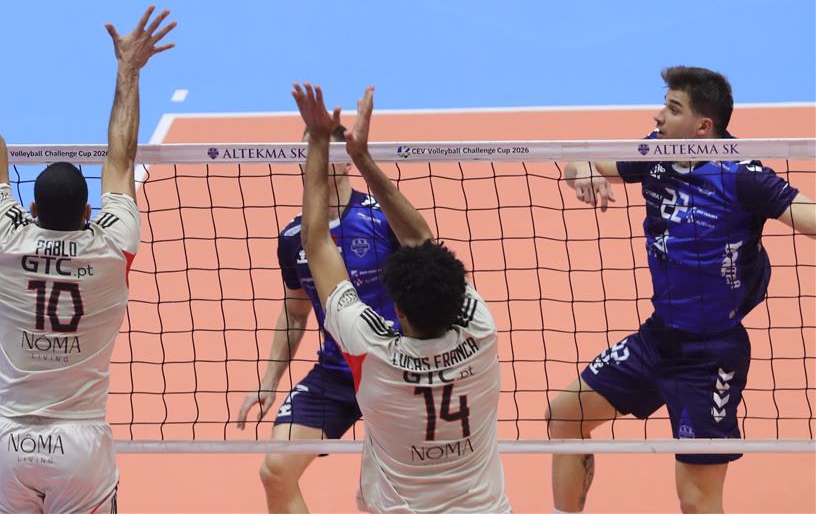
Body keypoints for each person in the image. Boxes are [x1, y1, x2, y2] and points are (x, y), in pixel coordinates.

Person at [0, 0, 174, 513]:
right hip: (80, 445)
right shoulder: (112, 248)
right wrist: (128, 71)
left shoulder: (4, 239)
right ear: (88, 214)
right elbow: (122, 160)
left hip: (12, 442)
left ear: (32, 210)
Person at [548, 66, 815, 514]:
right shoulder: (657, 152)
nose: (658, 116)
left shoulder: (742, 175)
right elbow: (583, 160)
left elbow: (809, 215)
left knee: (695, 499)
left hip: (710, 356)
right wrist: (584, 172)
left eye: (672, 109)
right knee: (565, 415)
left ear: (703, 126)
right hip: (658, 339)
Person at [291, 82, 510, 514]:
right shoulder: (481, 330)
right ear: (457, 299)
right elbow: (421, 240)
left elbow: (316, 244)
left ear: (399, 312)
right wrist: (361, 158)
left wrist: (319, 141)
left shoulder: (373, 352)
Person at [236, 125, 404, 513]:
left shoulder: (383, 219)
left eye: (322, 151)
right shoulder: (292, 238)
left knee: (380, 499)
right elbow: (295, 312)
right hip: (337, 372)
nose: (310, 160)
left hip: (393, 368)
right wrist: (269, 380)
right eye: (306, 153)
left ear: (346, 162)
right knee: (276, 471)